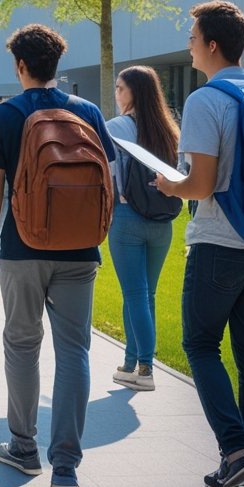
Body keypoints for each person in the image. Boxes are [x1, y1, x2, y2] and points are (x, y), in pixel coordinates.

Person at [0, 23, 115, 487]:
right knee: (75, 349)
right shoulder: (88, 111)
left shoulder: (4, 116)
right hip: (81, 249)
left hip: (23, 247)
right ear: (58, 65)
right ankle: (67, 466)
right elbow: (105, 182)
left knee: (22, 344)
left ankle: (23, 447)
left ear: (20, 66)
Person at [154, 0, 244, 487]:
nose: (187, 43)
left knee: (201, 345)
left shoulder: (207, 100)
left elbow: (201, 185)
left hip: (218, 243)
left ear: (211, 45)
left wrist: (170, 185)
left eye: (192, 36)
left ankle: (236, 451)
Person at [107, 66, 181, 392]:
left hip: (127, 218)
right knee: (144, 294)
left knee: (134, 294)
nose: (117, 94)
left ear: (133, 92)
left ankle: (146, 368)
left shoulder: (116, 126)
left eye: (120, 88)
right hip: (163, 223)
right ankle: (129, 362)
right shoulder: (169, 128)